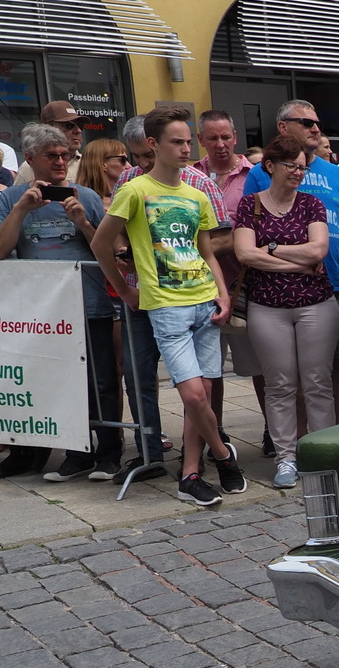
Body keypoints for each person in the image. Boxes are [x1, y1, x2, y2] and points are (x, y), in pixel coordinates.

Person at [92, 108, 243, 506]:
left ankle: (190, 473)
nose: (185, 148)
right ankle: (225, 457)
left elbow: (206, 251)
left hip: (204, 301)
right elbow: (101, 244)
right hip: (166, 305)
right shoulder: (134, 189)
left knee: (205, 395)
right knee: (193, 396)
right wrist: (125, 290)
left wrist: (223, 293)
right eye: (176, 141)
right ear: (153, 145)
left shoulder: (196, 192)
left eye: (187, 141)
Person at [0, 123, 120, 484]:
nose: (61, 161)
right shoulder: (11, 197)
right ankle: (77, 454)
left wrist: (82, 223)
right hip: (41, 310)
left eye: (65, 154)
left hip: (87, 302)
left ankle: (110, 452)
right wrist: (20, 210)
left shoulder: (87, 196)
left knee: (103, 381)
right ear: (30, 158)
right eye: (52, 156)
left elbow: (108, 252)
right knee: (56, 382)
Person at [231, 134, 339, 489]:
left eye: (303, 167)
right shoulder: (251, 205)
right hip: (268, 308)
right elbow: (245, 255)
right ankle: (286, 458)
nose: (298, 172)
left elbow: (318, 251)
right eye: (291, 165)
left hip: (316, 305)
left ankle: (324, 457)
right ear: (270, 166)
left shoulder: (311, 204)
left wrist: (273, 248)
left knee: (317, 383)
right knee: (279, 385)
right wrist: (296, 260)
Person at [242, 100, 339, 423]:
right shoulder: (258, 175)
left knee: (337, 367)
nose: (316, 129)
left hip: (335, 286)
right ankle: (300, 442)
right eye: (307, 123)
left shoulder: (337, 174)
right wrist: (291, 254)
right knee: (292, 375)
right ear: (283, 127)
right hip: (279, 293)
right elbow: (251, 237)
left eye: (316, 123)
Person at [198, 109, 267, 452]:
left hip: (245, 287)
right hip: (202, 289)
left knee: (261, 366)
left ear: (235, 138)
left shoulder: (255, 176)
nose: (220, 144)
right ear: (201, 141)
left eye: (226, 137)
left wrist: (208, 244)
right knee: (209, 372)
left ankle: (272, 431)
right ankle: (216, 435)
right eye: (213, 138)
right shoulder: (190, 176)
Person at [12, 102, 85, 184]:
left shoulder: (88, 164)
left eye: (80, 125)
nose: (78, 130)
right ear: (49, 128)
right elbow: (17, 195)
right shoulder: (31, 166)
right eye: (69, 125)